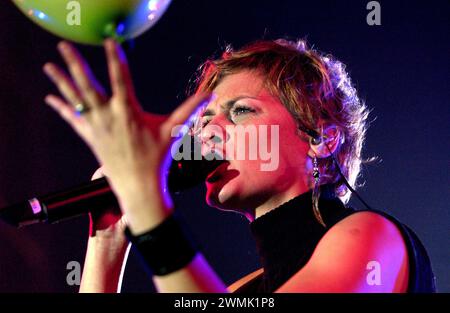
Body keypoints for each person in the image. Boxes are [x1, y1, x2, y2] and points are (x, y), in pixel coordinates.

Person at [42, 38, 436, 293]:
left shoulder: (371, 237)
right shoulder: (238, 292)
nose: (208, 132)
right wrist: (108, 241)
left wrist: (149, 209)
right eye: (203, 121)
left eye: (240, 111)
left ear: (319, 139)